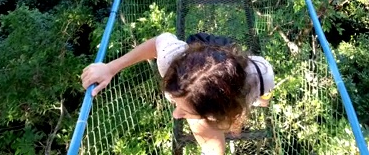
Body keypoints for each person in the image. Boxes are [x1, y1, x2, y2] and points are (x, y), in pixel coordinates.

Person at [81, 32, 275, 155]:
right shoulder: (171, 59)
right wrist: (110, 68)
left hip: (239, 74)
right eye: (177, 103)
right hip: (198, 47)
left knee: (261, 100)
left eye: (183, 109)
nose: (175, 115)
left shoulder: (260, 75)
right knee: (208, 134)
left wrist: (263, 99)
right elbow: (158, 41)